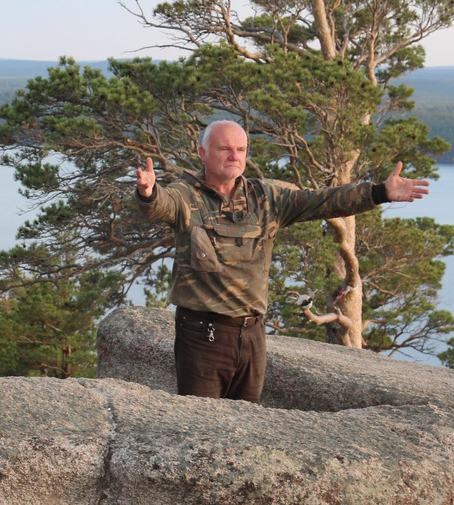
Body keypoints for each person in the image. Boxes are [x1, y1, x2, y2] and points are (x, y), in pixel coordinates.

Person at [134, 120, 430, 403]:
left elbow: (323, 200)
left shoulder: (265, 198)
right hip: (203, 334)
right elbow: (162, 205)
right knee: (202, 427)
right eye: (225, 149)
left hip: (252, 334)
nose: (234, 156)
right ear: (203, 153)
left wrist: (379, 193)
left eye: (241, 149)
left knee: (247, 426)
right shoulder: (185, 196)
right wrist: (148, 193)